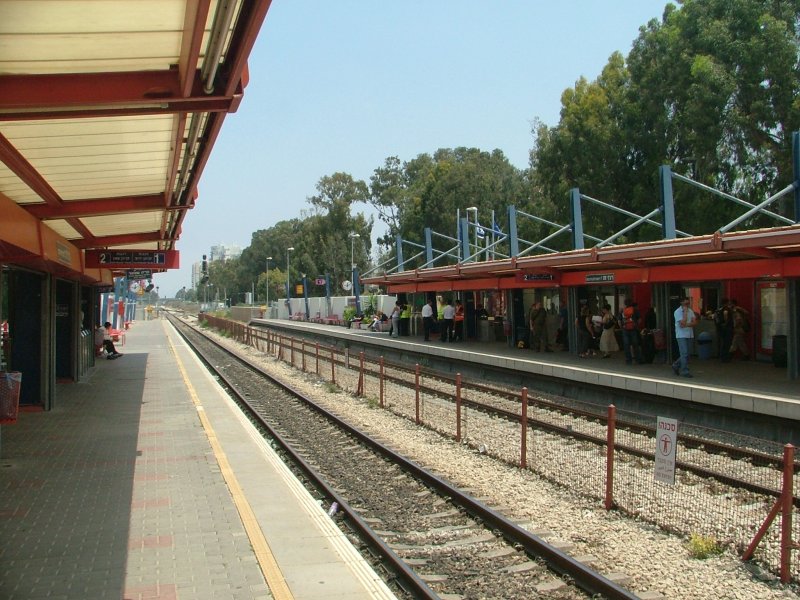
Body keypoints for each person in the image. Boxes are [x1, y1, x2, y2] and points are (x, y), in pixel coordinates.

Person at [672, 296, 696, 378]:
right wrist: (685, 312)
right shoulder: (677, 312)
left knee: (687, 353)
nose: (687, 305)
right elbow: (682, 324)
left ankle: (676, 364)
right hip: (681, 335)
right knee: (684, 352)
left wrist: (686, 324)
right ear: (681, 303)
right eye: (686, 303)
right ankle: (685, 371)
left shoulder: (691, 311)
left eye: (688, 303)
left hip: (689, 334)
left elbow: (694, 322)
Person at [621, 298, 644, 365]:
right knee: (635, 344)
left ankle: (628, 360)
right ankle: (638, 359)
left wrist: (623, 327)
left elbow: (619, 321)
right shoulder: (635, 310)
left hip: (625, 329)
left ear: (625, 303)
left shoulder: (623, 311)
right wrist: (636, 325)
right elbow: (640, 319)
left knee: (626, 345)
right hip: (633, 329)